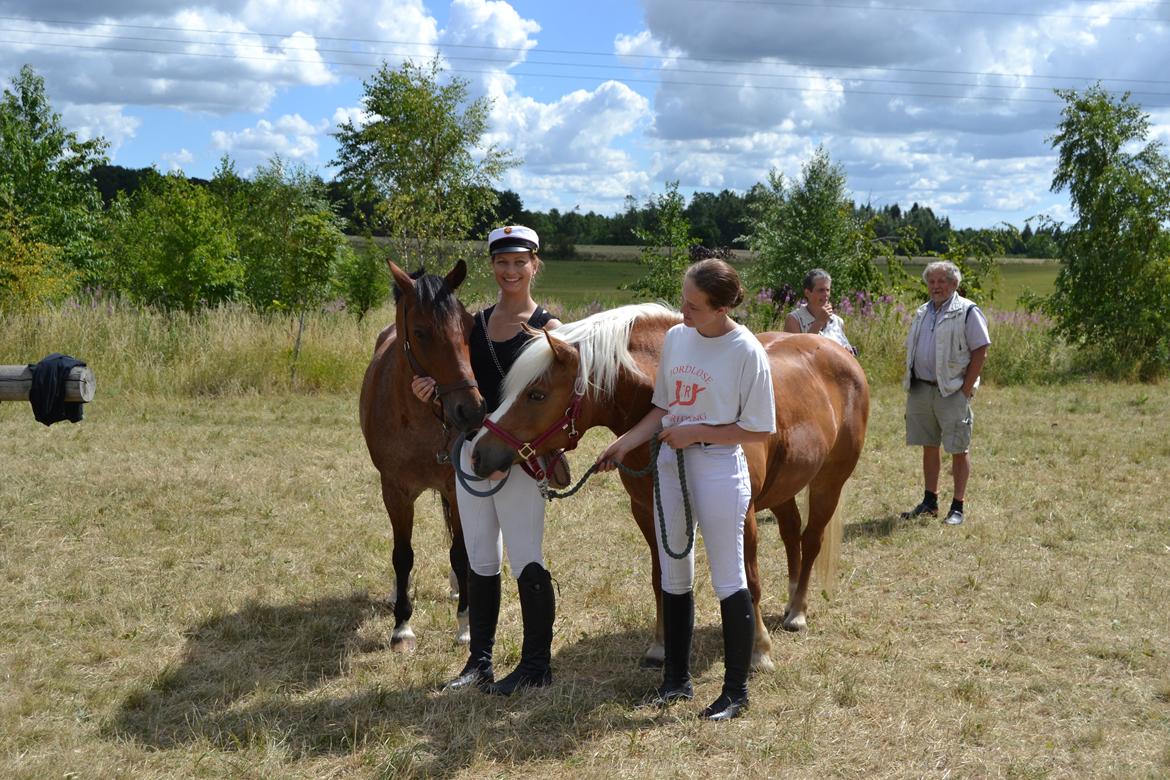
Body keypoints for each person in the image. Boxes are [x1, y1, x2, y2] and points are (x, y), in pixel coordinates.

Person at [596, 258, 776, 721]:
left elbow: (757, 429)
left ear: (720, 307)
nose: (683, 310)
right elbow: (663, 407)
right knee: (674, 572)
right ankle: (675, 680)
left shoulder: (745, 350)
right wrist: (624, 443)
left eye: (693, 304)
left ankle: (735, 692)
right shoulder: (678, 337)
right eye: (683, 300)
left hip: (718, 468)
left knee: (728, 576)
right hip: (670, 464)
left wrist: (698, 433)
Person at [410, 225, 563, 695]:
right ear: (492, 267)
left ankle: (536, 666)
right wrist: (432, 395)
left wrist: (514, 455)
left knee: (526, 560)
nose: (510, 271)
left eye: (520, 261)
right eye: (502, 262)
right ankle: (480, 662)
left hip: (519, 462)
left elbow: (556, 409)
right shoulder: (474, 323)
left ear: (535, 265)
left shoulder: (552, 329)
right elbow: (464, 394)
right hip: (472, 456)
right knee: (478, 559)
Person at [900, 260, 990, 526]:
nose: (936, 286)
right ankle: (930, 502)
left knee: (958, 448)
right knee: (929, 446)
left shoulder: (967, 311)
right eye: (932, 281)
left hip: (951, 391)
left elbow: (980, 350)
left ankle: (957, 506)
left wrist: (965, 389)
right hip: (921, 389)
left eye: (942, 281)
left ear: (954, 284)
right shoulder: (922, 312)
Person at [783, 268, 854, 353]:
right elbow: (796, 354)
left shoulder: (837, 321)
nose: (825, 295)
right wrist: (819, 322)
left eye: (827, 290)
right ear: (807, 293)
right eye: (821, 290)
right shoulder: (794, 319)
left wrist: (848, 352)